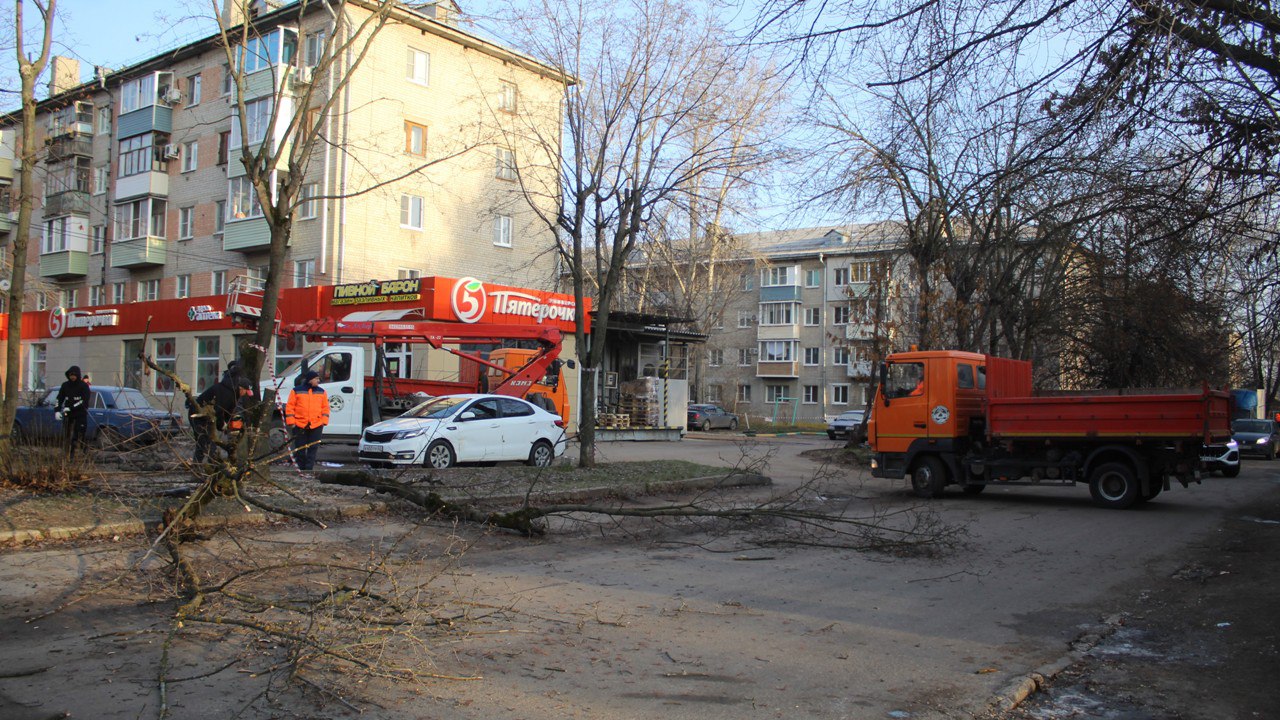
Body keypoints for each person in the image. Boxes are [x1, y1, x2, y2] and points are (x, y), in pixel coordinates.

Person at [189, 373, 253, 464]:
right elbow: (219, 410)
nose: (245, 394)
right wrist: (222, 425)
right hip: (198, 415)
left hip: (208, 416)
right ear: (241, 388)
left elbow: (228, 412)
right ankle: (209, 465)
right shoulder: (226, 392)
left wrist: (227, 424)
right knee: (206, 442)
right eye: (246, 391)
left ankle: (199, 464)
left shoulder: (234, 395)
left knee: (206, 442)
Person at [285, 370, 329, 472]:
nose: (318, 380)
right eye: (316, 378)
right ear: (310, 380)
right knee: (300, 448)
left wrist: (324, 421)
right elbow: (290, 407)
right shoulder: (296, 391)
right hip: (300, 424)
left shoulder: (322, 392)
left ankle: (309, 469)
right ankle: (301, 468)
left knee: (313, 448)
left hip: (317, 424)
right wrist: (291, 422)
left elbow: (325, 408)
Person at [55, 365, 92, 459]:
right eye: (71, 375)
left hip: (80, 414)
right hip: (68, 414)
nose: (72, 377)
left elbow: (84, 401)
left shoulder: (83, 386)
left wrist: (71, 408)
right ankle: (67, 454)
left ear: (78, 375)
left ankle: (82, 454)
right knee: (67, 434)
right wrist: (57, 410)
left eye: (74, 375)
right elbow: (59, 398)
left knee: (79, 434)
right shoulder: (65, 385)